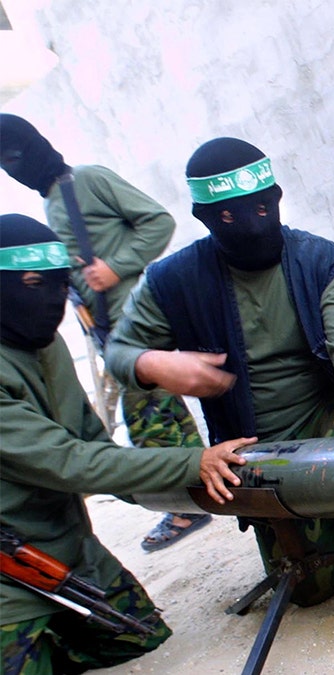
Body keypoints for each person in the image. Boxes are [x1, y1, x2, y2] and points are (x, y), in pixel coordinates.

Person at [104, 137, 334, 606]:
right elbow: (119, 352)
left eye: (262, 208)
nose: (252, 224)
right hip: (255, 442)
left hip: (326, 413)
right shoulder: (173, 281)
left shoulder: (321, 260)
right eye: (229, 216)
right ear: (207, 219)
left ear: (276, 197)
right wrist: (153, 363)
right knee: (314, 589)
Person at [0, 213, 255, 674]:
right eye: (34, 283)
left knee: (137, 638)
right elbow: (69, 461)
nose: (53, 301)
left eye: (61, 286)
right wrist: (191, 462)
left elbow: (94, 446)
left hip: (64, 547)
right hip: (7, 568)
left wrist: (205, 491)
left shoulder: (43, 345)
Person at [0, 113, 213, 553]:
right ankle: (197, 487)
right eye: (5, 163)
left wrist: (115, 266)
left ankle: (185, 503)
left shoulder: (89, 180)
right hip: (107, 329)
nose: (14, 168)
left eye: (17, 155)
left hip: (135, 322)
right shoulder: (52, 203)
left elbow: (157, 220)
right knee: (162, 409)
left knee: (144, 415)